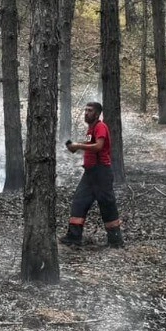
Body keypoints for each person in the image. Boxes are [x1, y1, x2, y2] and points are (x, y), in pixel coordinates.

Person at [63, 101, 123, 248]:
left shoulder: (101, 127)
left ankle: (116, 241)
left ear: (97, 113)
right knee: (79, 201)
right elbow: (90, 143)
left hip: (101, 172)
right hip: (90, 173)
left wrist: (78, 146)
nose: (86, 113)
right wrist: (76, 146)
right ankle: (73, 237)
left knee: (107, 205)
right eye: (85, 110)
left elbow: (98, 146)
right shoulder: (91, 129)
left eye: (89, 110)